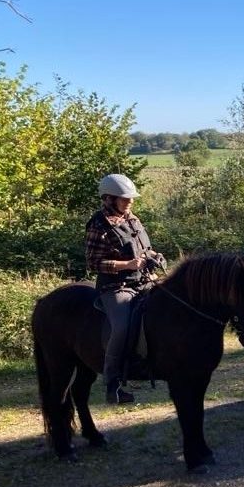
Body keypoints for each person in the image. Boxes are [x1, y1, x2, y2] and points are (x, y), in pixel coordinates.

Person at [85, 173, 165, 404]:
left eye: (130, 198)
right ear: (109, 199)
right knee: (121, 326)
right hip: (116, 287)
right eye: (124, 198)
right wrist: (127, 265)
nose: (129, 202)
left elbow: (143, 249)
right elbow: (93, 263)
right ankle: (113, 383)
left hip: (145, 280)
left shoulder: (132, 219)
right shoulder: (98, 224)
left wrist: (154, 257)